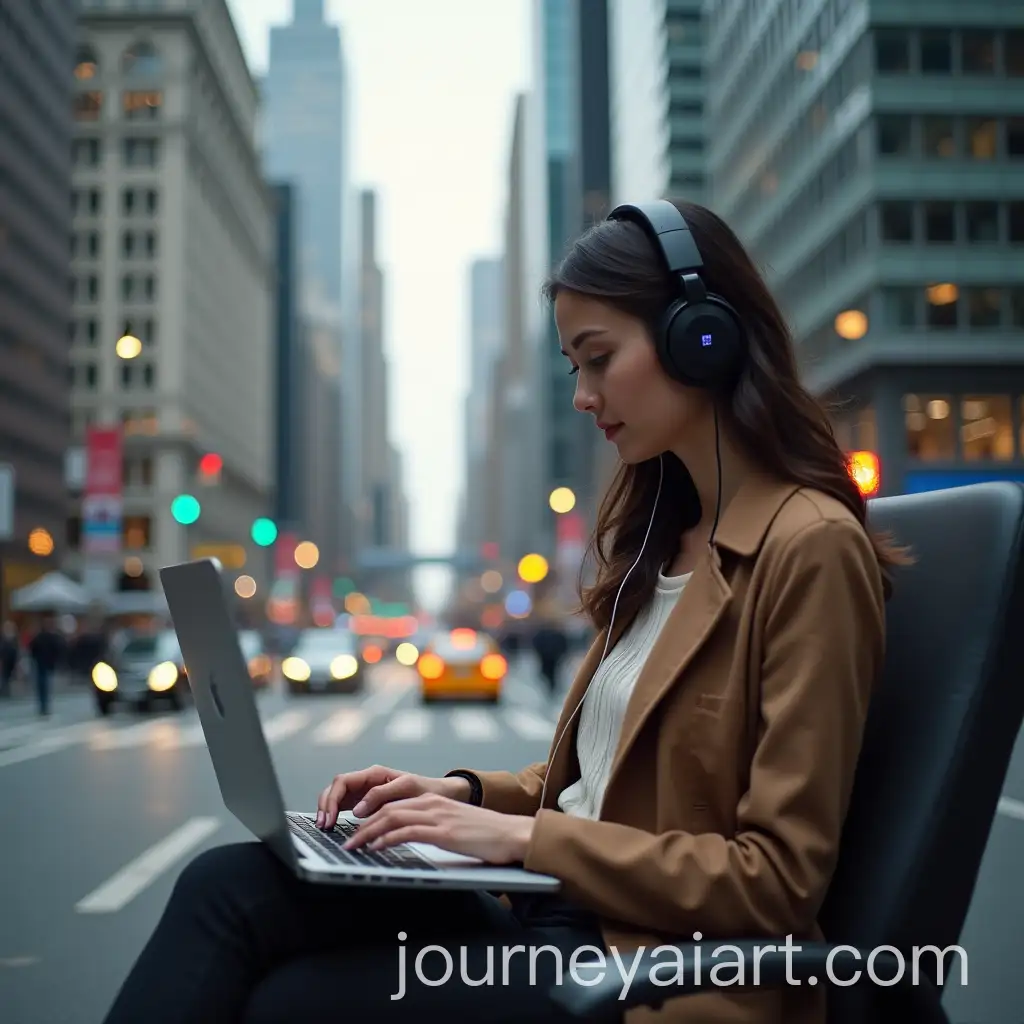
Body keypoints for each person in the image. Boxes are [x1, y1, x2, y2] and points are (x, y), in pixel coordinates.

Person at [101, 199, 909, 1024]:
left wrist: (523, 840)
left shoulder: (809, 548)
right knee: (227, 885)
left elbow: (777, 882)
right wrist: (453, 795)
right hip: (562, 916)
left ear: (701, 337)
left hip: (650, 967)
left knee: (288, 1004)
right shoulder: (662, 545)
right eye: (574, 368)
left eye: (600, 359)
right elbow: (599, 788)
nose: (583, 397)